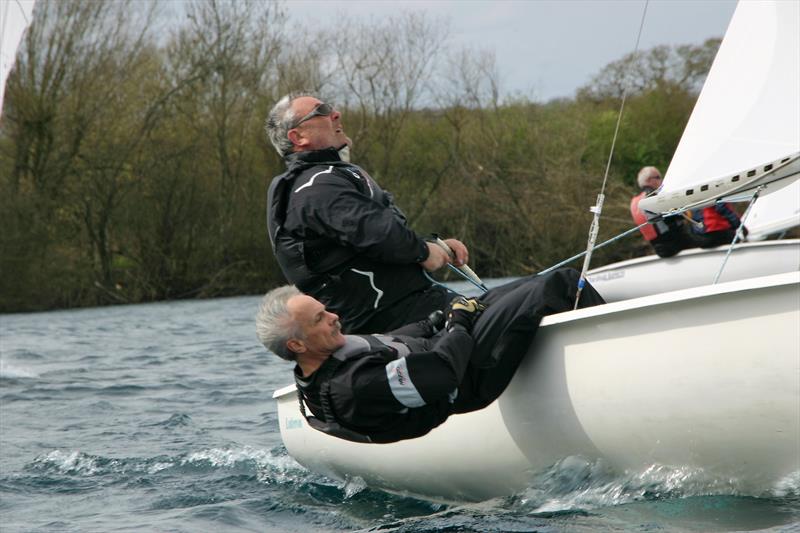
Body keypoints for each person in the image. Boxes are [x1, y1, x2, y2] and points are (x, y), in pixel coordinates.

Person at [255, 268, 605, 444]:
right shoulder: (354, 387)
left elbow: (397, 340)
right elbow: (441, 374)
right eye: (320, 319)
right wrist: (458, 323)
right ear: (296, 346)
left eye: (325, 309)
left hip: (454, 347)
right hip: (470, 374)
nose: (334, 316)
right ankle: (612, 358)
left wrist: (441, 318)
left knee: (533, 280)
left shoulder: (332, 351)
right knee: (556, 284)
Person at [265, 92, 468, 334]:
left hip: (420, 309)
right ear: (298, 137)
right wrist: (424, 252)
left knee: (516, 302)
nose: (336, 114)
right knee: (523, 301)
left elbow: (370, 241)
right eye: (322, 111)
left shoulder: (329, 178)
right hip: (396, 324)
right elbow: (373, 230)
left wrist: (434, 245)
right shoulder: (314, 188)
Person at [630, 166, 706, 258]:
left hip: (659, 249)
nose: (662, 181)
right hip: (676, 244)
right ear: (649, 180)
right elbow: (674, 216)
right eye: (658, 177)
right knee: (715, 237)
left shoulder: (635, 201)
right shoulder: (653, 196)